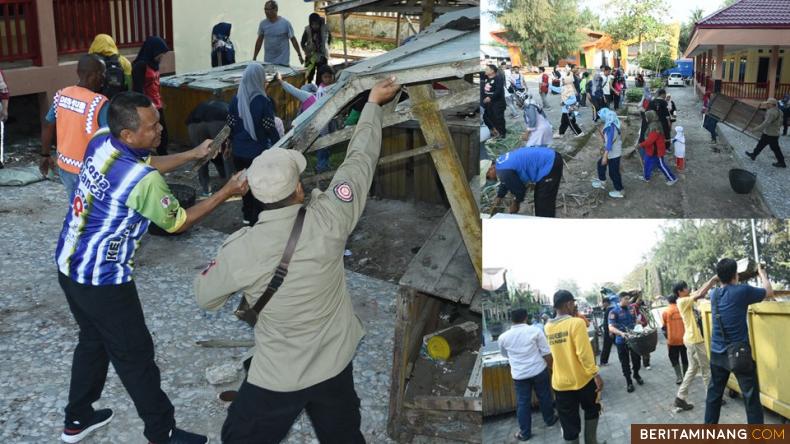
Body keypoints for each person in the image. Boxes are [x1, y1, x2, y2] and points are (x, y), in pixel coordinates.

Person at [194, 77, 401, 444]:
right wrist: (372, 105)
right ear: (299, 189)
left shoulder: (242, 249)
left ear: (254, 195)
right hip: (334, 362)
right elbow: (360, 160)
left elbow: (204, 296)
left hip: (278, 374)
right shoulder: (331, 218)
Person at [56, 91, 248, 444]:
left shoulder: (101, 140)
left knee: (93, 341)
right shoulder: (144, 183)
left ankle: (77, 418)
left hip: (69, 264)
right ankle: (164, 433)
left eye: (158, 120)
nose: (160, 129)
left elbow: (144, 165)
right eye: (152, 126)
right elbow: (177, 222)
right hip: (104, 280)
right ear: (127, 134)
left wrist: (192, 153)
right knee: (137, 358)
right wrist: (226, 192)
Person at [705, 259, 774, 425]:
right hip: (739, 355)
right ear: (736, 274)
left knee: (714, 396)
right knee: (751, 398)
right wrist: (762, 274)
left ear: (719, 277)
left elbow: (701, 293)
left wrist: (715, 279)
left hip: (717, 353)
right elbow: (769, 292)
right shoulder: (742, 291)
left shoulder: (713, 295)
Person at [40, 54, 108, 200]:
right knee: (93, 214)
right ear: (93, 75)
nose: (104, 78)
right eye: (103, 73)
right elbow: (113, 139)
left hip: (65, 166)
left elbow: (47, 125)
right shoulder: (99, 103)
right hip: (91, 172)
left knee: (76, 207)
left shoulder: (62, 94)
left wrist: (45, 155)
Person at [545, 290, 606, 444]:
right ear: (569, 304)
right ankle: (591, 442)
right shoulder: (576, 323)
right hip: (582, 381)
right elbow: (584, 354)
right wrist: (596, 375)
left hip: (560, 384)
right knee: (592, 409)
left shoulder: (548, 327)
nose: (574, 307)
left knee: (569, 423)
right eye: (573, 304)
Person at [228, 63, 281, 225]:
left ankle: (246, 216)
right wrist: (279, 146)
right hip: (257, 154)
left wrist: (231, 146)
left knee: (244, 186)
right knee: (258, 187)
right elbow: (270, 128)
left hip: (238, 153)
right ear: (259, 78)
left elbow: (230, 127)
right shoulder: (263, 102)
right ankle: (255, 220)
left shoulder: (235, 100)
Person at [498, 308, 559, 441]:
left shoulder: (503, 337)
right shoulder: (535, 331)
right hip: (539, 371)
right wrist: (553, 368)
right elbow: (546, 353)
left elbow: (504, 354)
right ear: (526, 317)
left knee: (523, 403)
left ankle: (525, 433)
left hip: (520, 375)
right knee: (544, 396)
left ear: (511, 319)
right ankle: (549, 420)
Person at [275, 66, 336, 172]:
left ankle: (322, 165)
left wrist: (280, 81)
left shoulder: (308, 96)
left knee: (323, 145)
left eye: (329, 77)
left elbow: (292, 90)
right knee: (324, 145)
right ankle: (322, 165)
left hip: (320, 123)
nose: (328, 79)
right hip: (323, 123)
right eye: (325, 77)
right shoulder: (319, 93)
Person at [673, 277, 719, 412]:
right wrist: (713, 280)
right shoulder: (682, 301)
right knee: (706, 370)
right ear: (680, 291)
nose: (689, 289)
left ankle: (680, 398)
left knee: (692, 369)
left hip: (691, 340)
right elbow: (700, 294)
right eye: (686, 287)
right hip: (695, 340)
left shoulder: (686, 298)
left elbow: (700, 291)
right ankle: (712, 398)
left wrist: (709, 282)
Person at [484, 146, 564, 217]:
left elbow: (520, 190)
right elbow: (505, 182)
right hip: (549, 156)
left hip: (550, 163)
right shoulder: (500, 163)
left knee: (543, 202)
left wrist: (516, 203)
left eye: (488, 177)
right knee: (540, 197)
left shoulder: (503, 172)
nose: (490, 180)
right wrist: (499, 196)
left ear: (491, 168)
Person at [186, 100, 235, 197]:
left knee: (201, 155)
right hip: (219, 121)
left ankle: (206, 190)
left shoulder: (223, 105)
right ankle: (231, 188)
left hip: (193, 123)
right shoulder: (230, 108)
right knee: (227, 155)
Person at [132, 36, 169, 155]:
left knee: (162, 131)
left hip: (157, 103)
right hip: (148, 105)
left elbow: (156, 85)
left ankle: (163, 154)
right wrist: (146, 106)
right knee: (150, 131)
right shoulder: (140, 66)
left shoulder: (154, 64)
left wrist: (161, 100)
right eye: (160, 54)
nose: (161, 57)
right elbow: (138, 89)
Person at [608, 292, 643, 393]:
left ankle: (636, 374)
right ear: (620, 300)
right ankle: (629, 382)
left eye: (629, 299)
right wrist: (621, 333)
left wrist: (638, 322)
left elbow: (634, 321)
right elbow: (611, 327)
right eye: (626, 299)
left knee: (636, 359)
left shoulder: (631, 309)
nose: (628, 301)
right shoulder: (613, 312)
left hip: (633, 339)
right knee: (625, 362)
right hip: (621, 341)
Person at [254, 0, 304, 66]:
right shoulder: (263, 24)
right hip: (268, 62)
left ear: (276, 9)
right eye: (265, 9)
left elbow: (293, 40)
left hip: (283, 62)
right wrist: (254, 57)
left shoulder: (285, 23)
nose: (266, 12)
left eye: (269, 9)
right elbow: (259, 42)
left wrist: (299, 54)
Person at [592, 108, 624, 198]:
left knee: (613, 173)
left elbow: (609, 143)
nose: (601, 118)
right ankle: (602, 181)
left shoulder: (610, 127)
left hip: (613, 153)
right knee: (600, 164)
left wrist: (605, 156)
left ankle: (620, 190)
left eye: (601, 116)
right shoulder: (613, 123)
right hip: (614, 151)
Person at [639, 110, 678, 185]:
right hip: (651, 150)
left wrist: (640, 145)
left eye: (646, 117)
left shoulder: (654, 127)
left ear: (650, 117)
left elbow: (650, 140)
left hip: (657, 151)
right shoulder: (652, 124)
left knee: (661, 165)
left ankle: (672, 178)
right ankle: (646, 177)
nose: (645, 118)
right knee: (647, 162)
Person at [88, 34, 131, 99]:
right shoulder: (124, 61)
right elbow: (128, 82)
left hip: (96, 99)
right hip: (118, 98)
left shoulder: (90, 60)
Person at [745, 97, 786, 168]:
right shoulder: (780, 111)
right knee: (760, 144)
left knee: (775, 148)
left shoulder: (771, 112)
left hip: (771, 134)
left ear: (772, 104)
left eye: (768, 104)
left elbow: (766, 123)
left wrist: (755, 129)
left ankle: (782, 162)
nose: (766, 105)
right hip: (772, 133)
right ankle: (754, 155)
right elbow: (781, 122)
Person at [661, 293, 688, 385]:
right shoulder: (682, 309)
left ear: (668, 301)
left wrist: (667, 338)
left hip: (672, 340)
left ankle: (679, 377)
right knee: (685, 357)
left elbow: (664, 327)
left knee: (674, 358)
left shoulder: (666, 312)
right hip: (684, 339)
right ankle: (686, 376)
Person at [301, 12, 331, 84]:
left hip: (322, 56)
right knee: (309, 76)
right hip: (311, 56)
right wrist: (307, 51)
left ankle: (318, 91)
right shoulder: (307, 30)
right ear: (310, 24)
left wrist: (326, 47)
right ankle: (308, 91)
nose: (315, 26)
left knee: (320, 77)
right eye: (313, 24)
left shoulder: (324, 29)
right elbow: (302, 43)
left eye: (317, 24)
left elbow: (329, 39)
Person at [481, 64, 507, 138]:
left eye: (487, 69)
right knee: (490, 118)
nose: (485, 70)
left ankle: (502, 134)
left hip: (498, 103)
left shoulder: (498, 78)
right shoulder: (486, 77)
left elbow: (498, 91)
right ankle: (496, 132)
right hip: (488, 104)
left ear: (492, 71)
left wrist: (490, 98)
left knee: (498, 118)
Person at [599, 296, 616, 366]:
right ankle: (603, 361)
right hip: (609, 330)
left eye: (603, 303)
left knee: (606, 346)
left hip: (609, 331)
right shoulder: (607, 309)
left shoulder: (610, 310)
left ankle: (603, 361)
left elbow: (610, 322)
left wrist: (610, 331)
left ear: (606, 303)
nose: (602, 304)